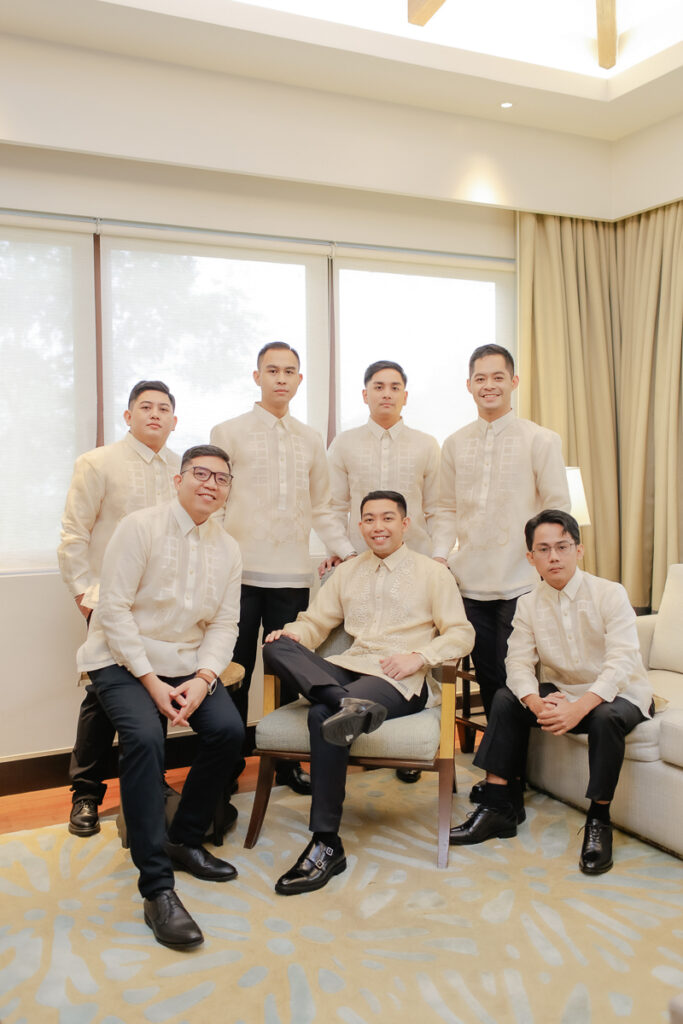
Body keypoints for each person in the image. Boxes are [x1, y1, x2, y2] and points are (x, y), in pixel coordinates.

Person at [263, 490, 474, 895]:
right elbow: (314, 623)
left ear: (405, 524)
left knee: (321, 716)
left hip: (398, 677)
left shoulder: (432, 573)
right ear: (360, 526)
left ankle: (326, 843)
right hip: (349, 670)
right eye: (370, 519)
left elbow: (461, 634)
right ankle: (345, 703)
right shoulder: (346, 572)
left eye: (388, 518)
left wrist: (420, 656)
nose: (379, 527)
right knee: (276, 646)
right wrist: (293, 634)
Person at [77, 445, 245, 950]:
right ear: (178, 479)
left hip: (186, 662)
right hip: (119, 657)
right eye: (201, 474)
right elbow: (113, 611)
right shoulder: (140, 527)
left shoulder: (229, 548)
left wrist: (204, 677)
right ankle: (157, 889)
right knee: (145, 738)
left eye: (221, 478)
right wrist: (151, 682)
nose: (210, 484)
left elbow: (225, 623)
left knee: (228, 732)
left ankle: (184, 839)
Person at [449, 509, 653, 875]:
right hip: (563, 691)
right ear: (531, 558)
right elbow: (517, 663)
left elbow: (621, 663)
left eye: (562, 546)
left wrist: (579, 707)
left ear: (579, 550)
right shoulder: (528, 603)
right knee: (507, 698)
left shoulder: (610, 593)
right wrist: (535, 702)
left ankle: (599, 820)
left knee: (605, 717)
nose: (554, 556)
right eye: (543, 549)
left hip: (623, 693)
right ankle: (498, 806)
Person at [210, 342, 355, 798]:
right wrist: (211, 562)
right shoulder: (228, 432)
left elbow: (322, 507)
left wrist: (349, 554)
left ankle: (288, 762)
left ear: (299, 380)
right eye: (272, 370)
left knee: (288, 670)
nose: (280, 378)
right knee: (233, 670)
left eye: (289, 371)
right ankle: (225, 765)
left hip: (292, 575)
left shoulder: (311, 439)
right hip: (238, 574)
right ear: (257, 377)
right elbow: (215, 503)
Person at [431, 344, 570, 803]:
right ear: (469, 385)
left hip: (522, 583)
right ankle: (508, 776)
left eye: (497, 377)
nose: (488, 385)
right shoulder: (455, 444)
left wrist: (548, 562)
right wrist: (439, 557)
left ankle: (507, 780)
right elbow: (446, 509)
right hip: (469, 583)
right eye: (480, 378)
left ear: (513, 382)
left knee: (516, 682)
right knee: (491, 681)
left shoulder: (540, 439)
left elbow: (557, 508)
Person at [58, 380, 180, 838]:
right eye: (145, 407)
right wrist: (85, 599)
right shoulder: (98, 463)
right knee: (101, 696)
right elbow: (74, 535)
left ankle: (150, 782)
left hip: (161, 607)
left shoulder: (182, 470)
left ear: (174, 421)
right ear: (128, 416)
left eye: (163, 408)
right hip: (108, 603)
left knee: (155, 690)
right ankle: (86, 793)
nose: (155, 414)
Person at [323, 359, 441, 784]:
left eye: (394, 387)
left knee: (410, 647)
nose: (386, 393)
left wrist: (440, 556)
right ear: (365, 394)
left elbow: (439, 507)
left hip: (416, 566)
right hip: (359, 568)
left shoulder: (426, 444)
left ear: (405, 395)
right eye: (378, 386)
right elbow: (332, 507)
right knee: (356, 648)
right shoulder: (345, 444)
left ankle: (406, 748)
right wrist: (344, 554)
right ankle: (355, 708)